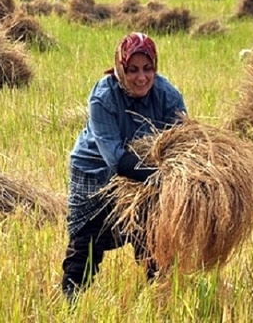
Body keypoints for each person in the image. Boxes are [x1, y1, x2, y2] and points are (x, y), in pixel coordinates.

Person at [61, 32, 187, 303]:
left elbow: (182, 143)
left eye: (148, 69)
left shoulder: (168, 96)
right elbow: (115, 158)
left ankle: (158, 297)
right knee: (87, 241)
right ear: (120, 68)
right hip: (95, 170)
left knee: (152, 233)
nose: (141, 77)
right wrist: (162, 177)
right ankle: (70, 304)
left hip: (147, 173)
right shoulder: (103, 97)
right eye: (132, 70)